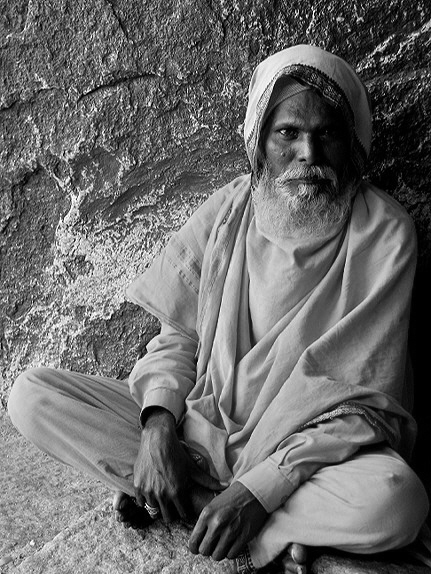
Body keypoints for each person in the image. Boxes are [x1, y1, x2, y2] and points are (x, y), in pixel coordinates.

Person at [7, 44, 429, 574]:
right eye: (289, 133)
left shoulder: (386, 234)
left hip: (304, 458)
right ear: (260, 143)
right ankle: (268, 530)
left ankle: (201, 510)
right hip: (198, 436)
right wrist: (158, 428)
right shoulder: (229, 209)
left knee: (396, 499)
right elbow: (178, 338)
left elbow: (366, 404)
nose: (309, 154)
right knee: (32, 396)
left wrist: (261, 488)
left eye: (327, 134)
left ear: (353, 144)